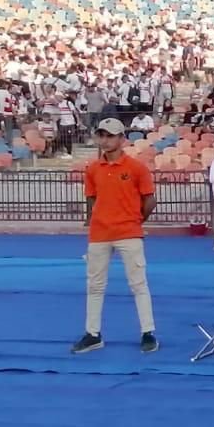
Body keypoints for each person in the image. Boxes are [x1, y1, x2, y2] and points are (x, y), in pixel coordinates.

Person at [72, 117, 159, 354]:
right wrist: (98, 219)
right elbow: (92, 198)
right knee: (95, 285)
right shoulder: (93, 169)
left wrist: (136, 220)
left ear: (122, 139)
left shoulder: (136, 168)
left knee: (138, 284)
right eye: (102, 135)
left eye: (110, 135)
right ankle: (93, 333)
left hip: (128, 232)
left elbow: (150, 199)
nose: (105, 140)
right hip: (100, 234)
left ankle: (148, 332)